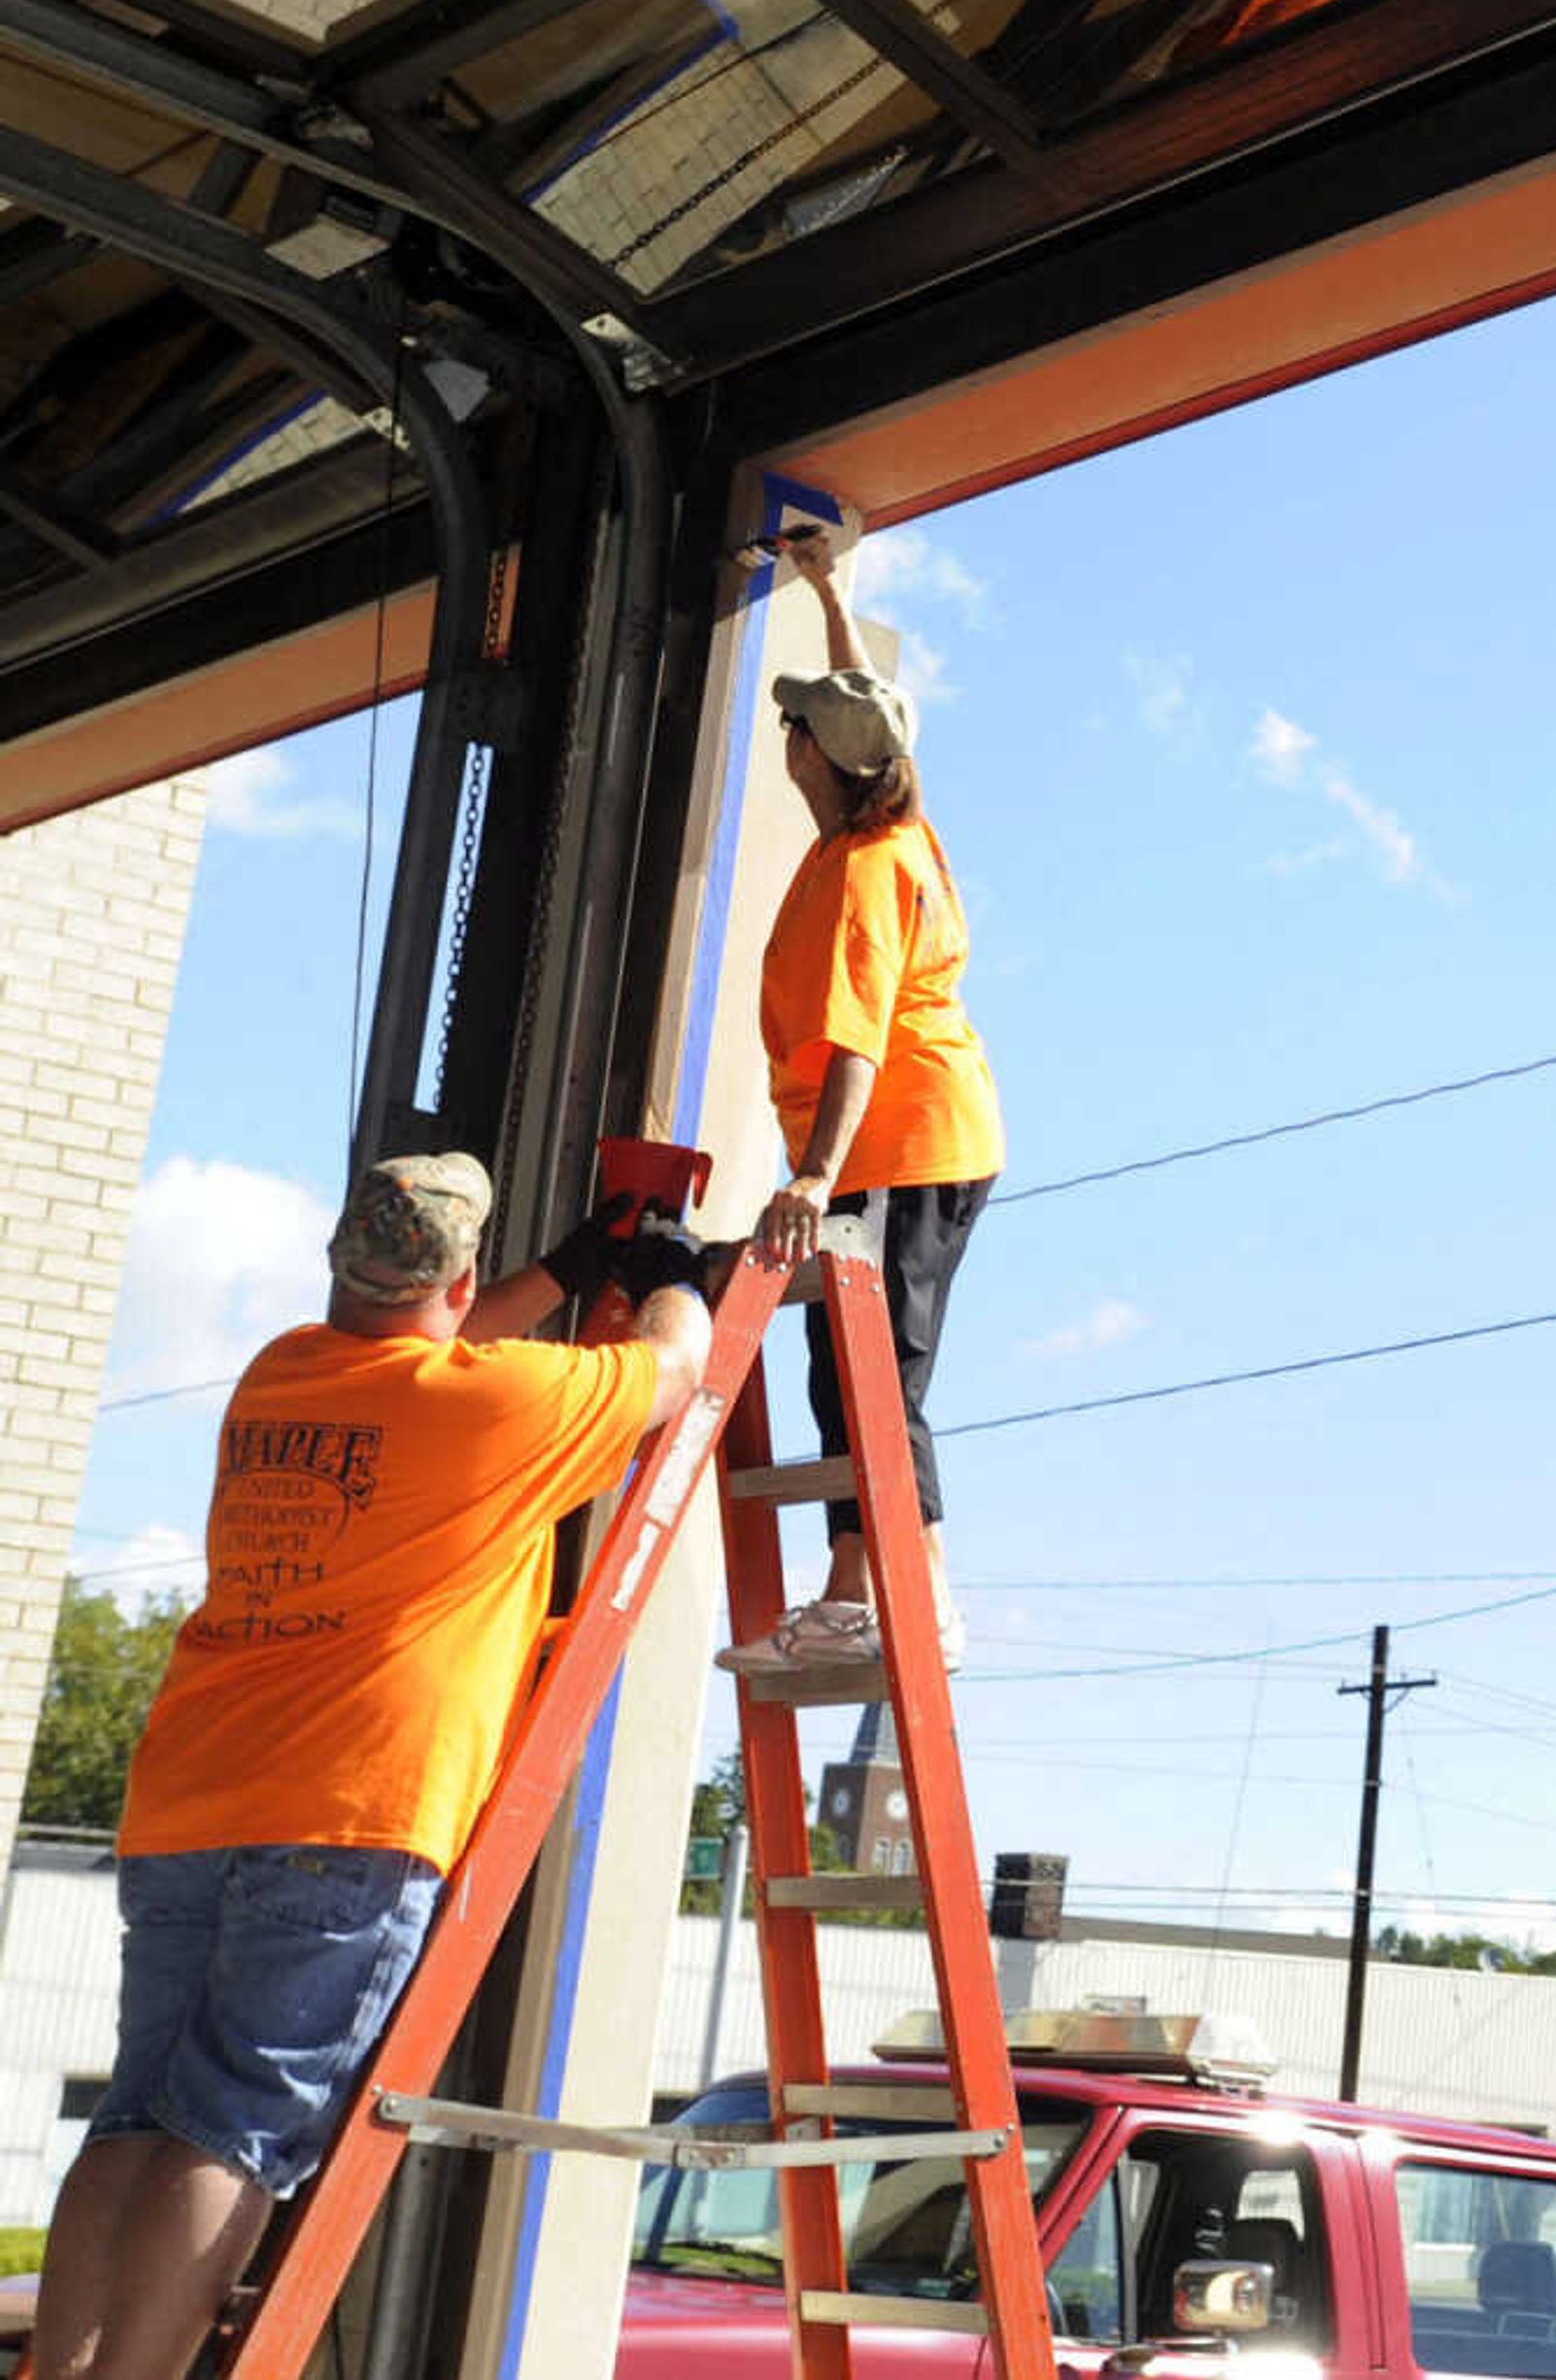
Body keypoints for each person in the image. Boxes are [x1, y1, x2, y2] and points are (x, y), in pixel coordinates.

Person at [27, 1154, 709, 2380]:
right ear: (457, 1279)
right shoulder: (497, 1406)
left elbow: (422, 1345)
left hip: (191, 1794)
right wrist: (671, 1272)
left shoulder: (281, 1372)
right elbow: (676, 1368)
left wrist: (562, 1269)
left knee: (136, 2119)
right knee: (228, 2130)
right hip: (349, 1808)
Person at [724, 530, 1003, 1676]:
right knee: (855, 1369)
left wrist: (810, 1178)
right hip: (914, 1138)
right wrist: (829, 591)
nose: (786, 734)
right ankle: (872, 1592)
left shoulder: (860, 875)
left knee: (875, 1375)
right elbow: (864, 705)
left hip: (898, 1137)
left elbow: (854, 1046)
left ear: (812, 761)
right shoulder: (888, 821)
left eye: (794, 726)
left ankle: (898, 1596)